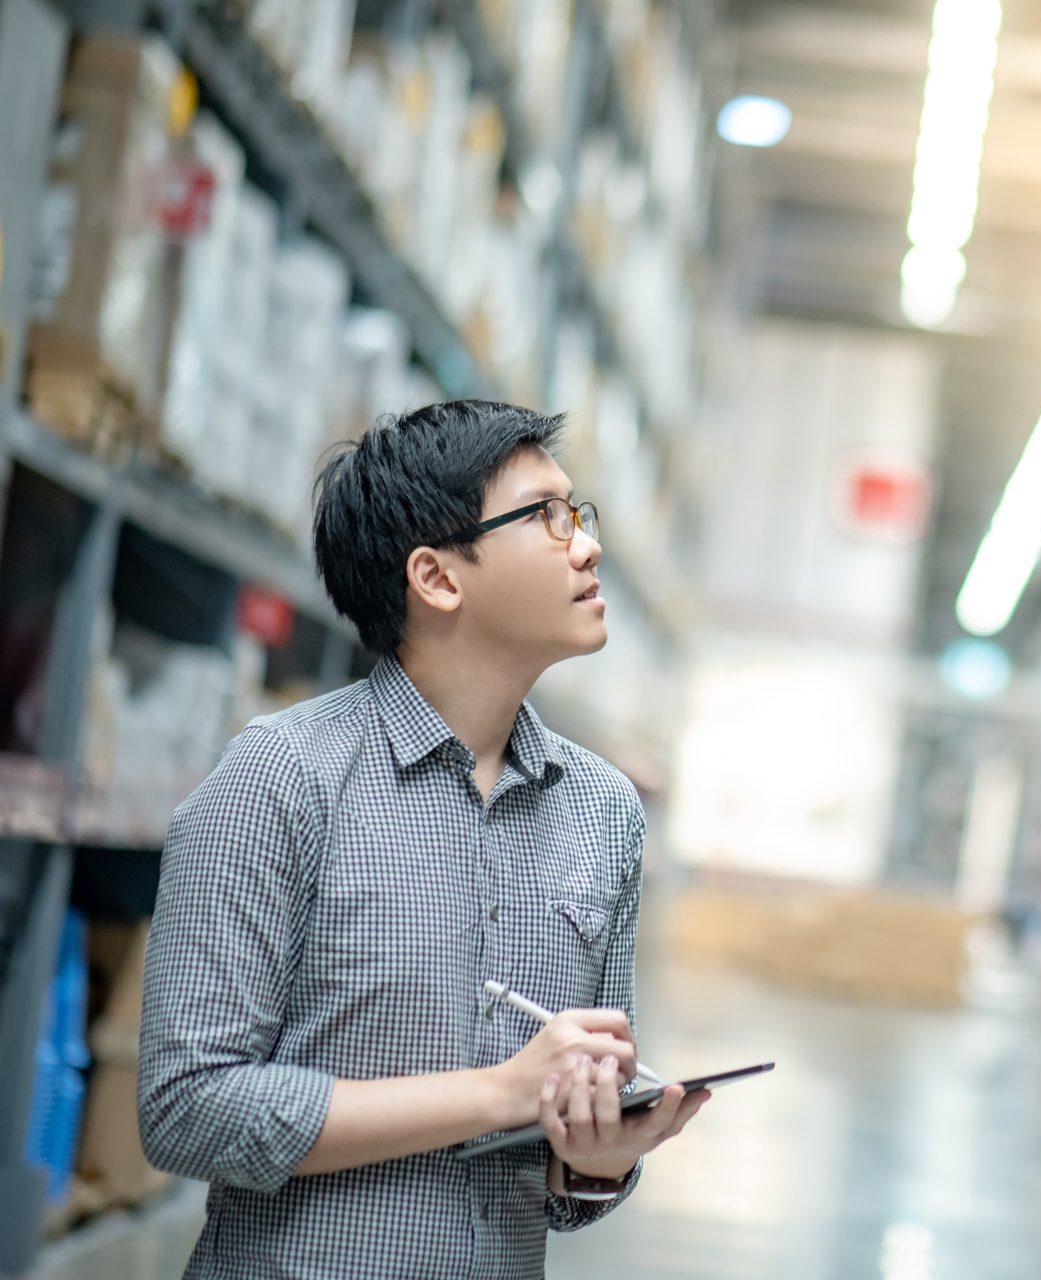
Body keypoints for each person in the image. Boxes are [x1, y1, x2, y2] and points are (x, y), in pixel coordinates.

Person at [138, 401, 704, 1278]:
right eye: (545, 519)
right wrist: (495, 1094)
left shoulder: (602, 814)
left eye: (577, 515)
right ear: (437, 578)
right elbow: (186, 1107)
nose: (586, 546)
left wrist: (599, 1158)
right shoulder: (281, 782)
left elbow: (559, 1186)